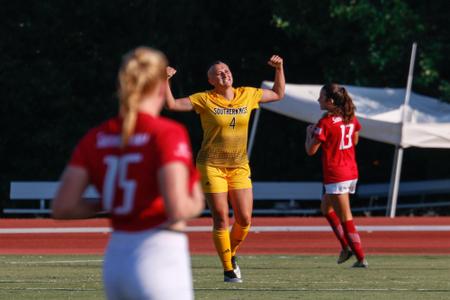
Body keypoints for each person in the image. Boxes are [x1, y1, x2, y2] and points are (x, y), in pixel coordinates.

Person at [52, 47, 205, 299]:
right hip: (158, 253)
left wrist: (112, 201)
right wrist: (197, 201)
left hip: (116, 256)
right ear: (159, 86)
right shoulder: (166, 133)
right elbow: (178, 208)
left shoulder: (97, 136)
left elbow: (63, 206)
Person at [165, 55, 285, 282]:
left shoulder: (247, 95)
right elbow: (171, 104)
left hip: (239, 166)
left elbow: (278, 94)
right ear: (211, 80)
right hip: (211, 166)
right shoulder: (204, 99)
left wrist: (279, 69)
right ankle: (229, 269)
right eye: (219, 73)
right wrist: (165, 80)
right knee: (220, 218)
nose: (225, 74)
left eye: (227, 71)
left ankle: (230, 253)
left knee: (245, 219)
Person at [305, 83, 368, 268]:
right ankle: (346, 248)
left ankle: (361, 257)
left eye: (321, 97)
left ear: (330, 101)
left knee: (345, 216)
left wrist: (308, 133)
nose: (318, 100)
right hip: (350, 170)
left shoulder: (324, 123)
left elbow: (310, 150)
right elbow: (354, 141)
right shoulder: (350, 117)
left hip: (336, 174)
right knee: (326, 208)